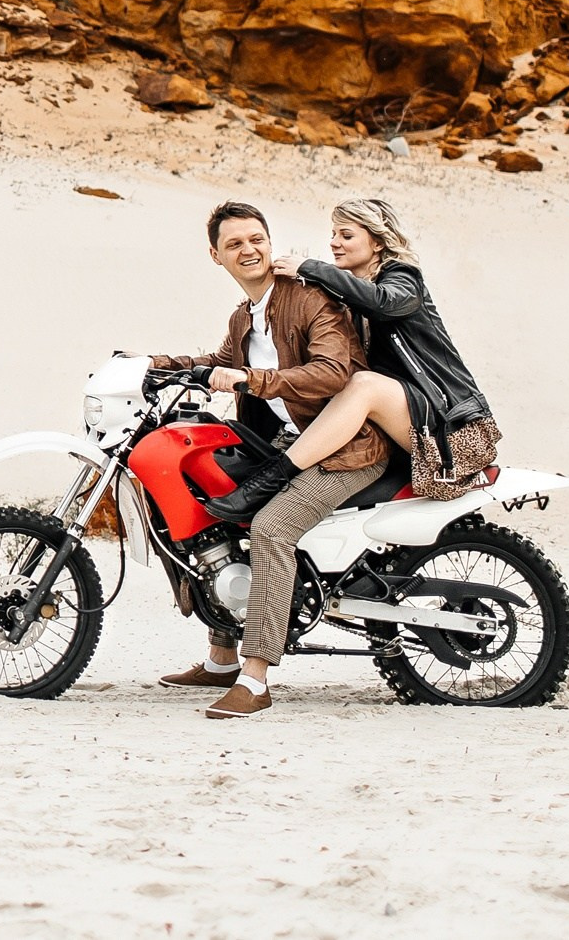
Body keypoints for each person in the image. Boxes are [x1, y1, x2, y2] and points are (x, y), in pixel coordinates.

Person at [146, 202, 393, 719]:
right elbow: (222, 362)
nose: (249, 249)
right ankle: (221, 658)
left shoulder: (309, 298)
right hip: (286, 443)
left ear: (269, 241)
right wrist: (158, 365)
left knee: (272, 527)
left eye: (256, 238)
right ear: (216, 256)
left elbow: (332, 371)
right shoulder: (244, 317)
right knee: (210, 506)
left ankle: (255, 681)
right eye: (235, 244)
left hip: (346, 450)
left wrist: (250, 381)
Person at [254, 197, 501, 504]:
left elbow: (382, 302)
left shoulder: (404, 279)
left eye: (346, 235)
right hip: (408, 425)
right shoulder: (349, 296)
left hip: (454, 431)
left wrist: (309, 267)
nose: (334, 243)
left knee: (363, 385)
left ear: (377, 241)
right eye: (332, 235)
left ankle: (277, 474)